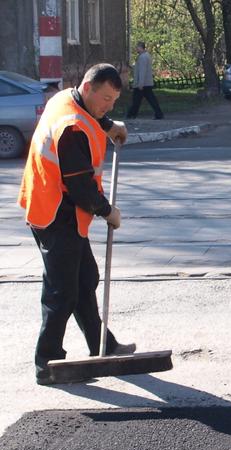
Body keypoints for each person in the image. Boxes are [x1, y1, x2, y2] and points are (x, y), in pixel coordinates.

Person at [18, 63, 136, 386]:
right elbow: (83, 188)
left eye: (113, 101)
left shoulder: (66, 99)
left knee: (85, 279)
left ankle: (104, 345)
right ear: (88, 88)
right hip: (55, 213)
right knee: (63, 291)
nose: (108, 106)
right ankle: (47, 362)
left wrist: (108, 125)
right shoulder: (72, 128)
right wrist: (108, 211)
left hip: (58, 208)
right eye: (106, 100)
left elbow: (89, 114)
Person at [126, 41, 164, 120]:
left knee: (137, 100)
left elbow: (142, 71)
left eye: (137, 47)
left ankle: (131, 115)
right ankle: (158, 114)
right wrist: (132, 67)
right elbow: (140, 68)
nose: (136, 49)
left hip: (142, 84)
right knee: (150, 99)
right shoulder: (147, 56)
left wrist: (140, 84)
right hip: (146, 83)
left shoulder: (142, 57)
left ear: (140, 47)